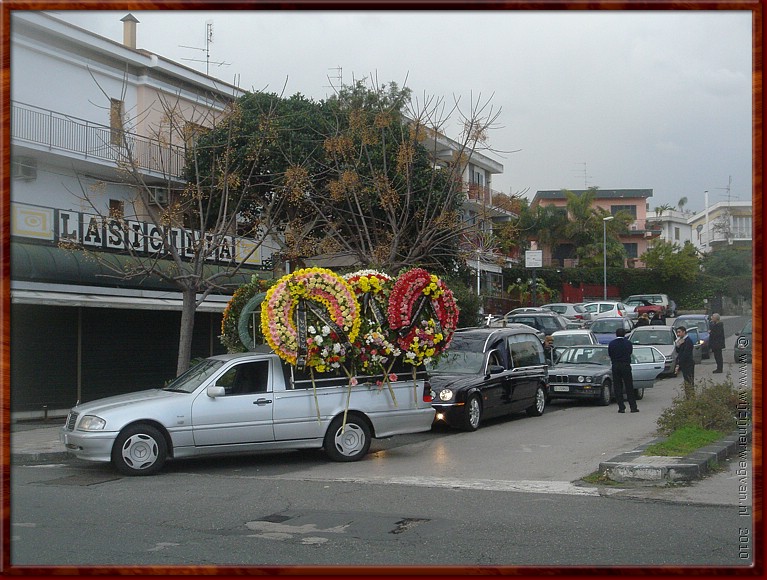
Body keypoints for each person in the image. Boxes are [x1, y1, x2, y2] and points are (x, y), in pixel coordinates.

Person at [608, 327, 638, 413]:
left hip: (616, 365)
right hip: (625, 365)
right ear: (624, 334)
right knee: (629, 386)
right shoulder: (628, 343)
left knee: (618, 386)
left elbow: (610, 353)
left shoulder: (612, 343)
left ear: (616, 334)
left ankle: (621, 407)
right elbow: (630, 352)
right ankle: (633, 407)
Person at [675, 326, 695, 398]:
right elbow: (678, 352)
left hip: (688, 364)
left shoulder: (688, 341)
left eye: (679, 332)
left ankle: (691, 397)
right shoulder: (681, 340)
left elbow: (686, 354)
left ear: (684, 332)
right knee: (686, 381)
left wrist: (679, 364)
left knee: (689, 381)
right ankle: (689, 396)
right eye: (677, 332)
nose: (678, 334)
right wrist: (677, 345)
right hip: (684, 364)